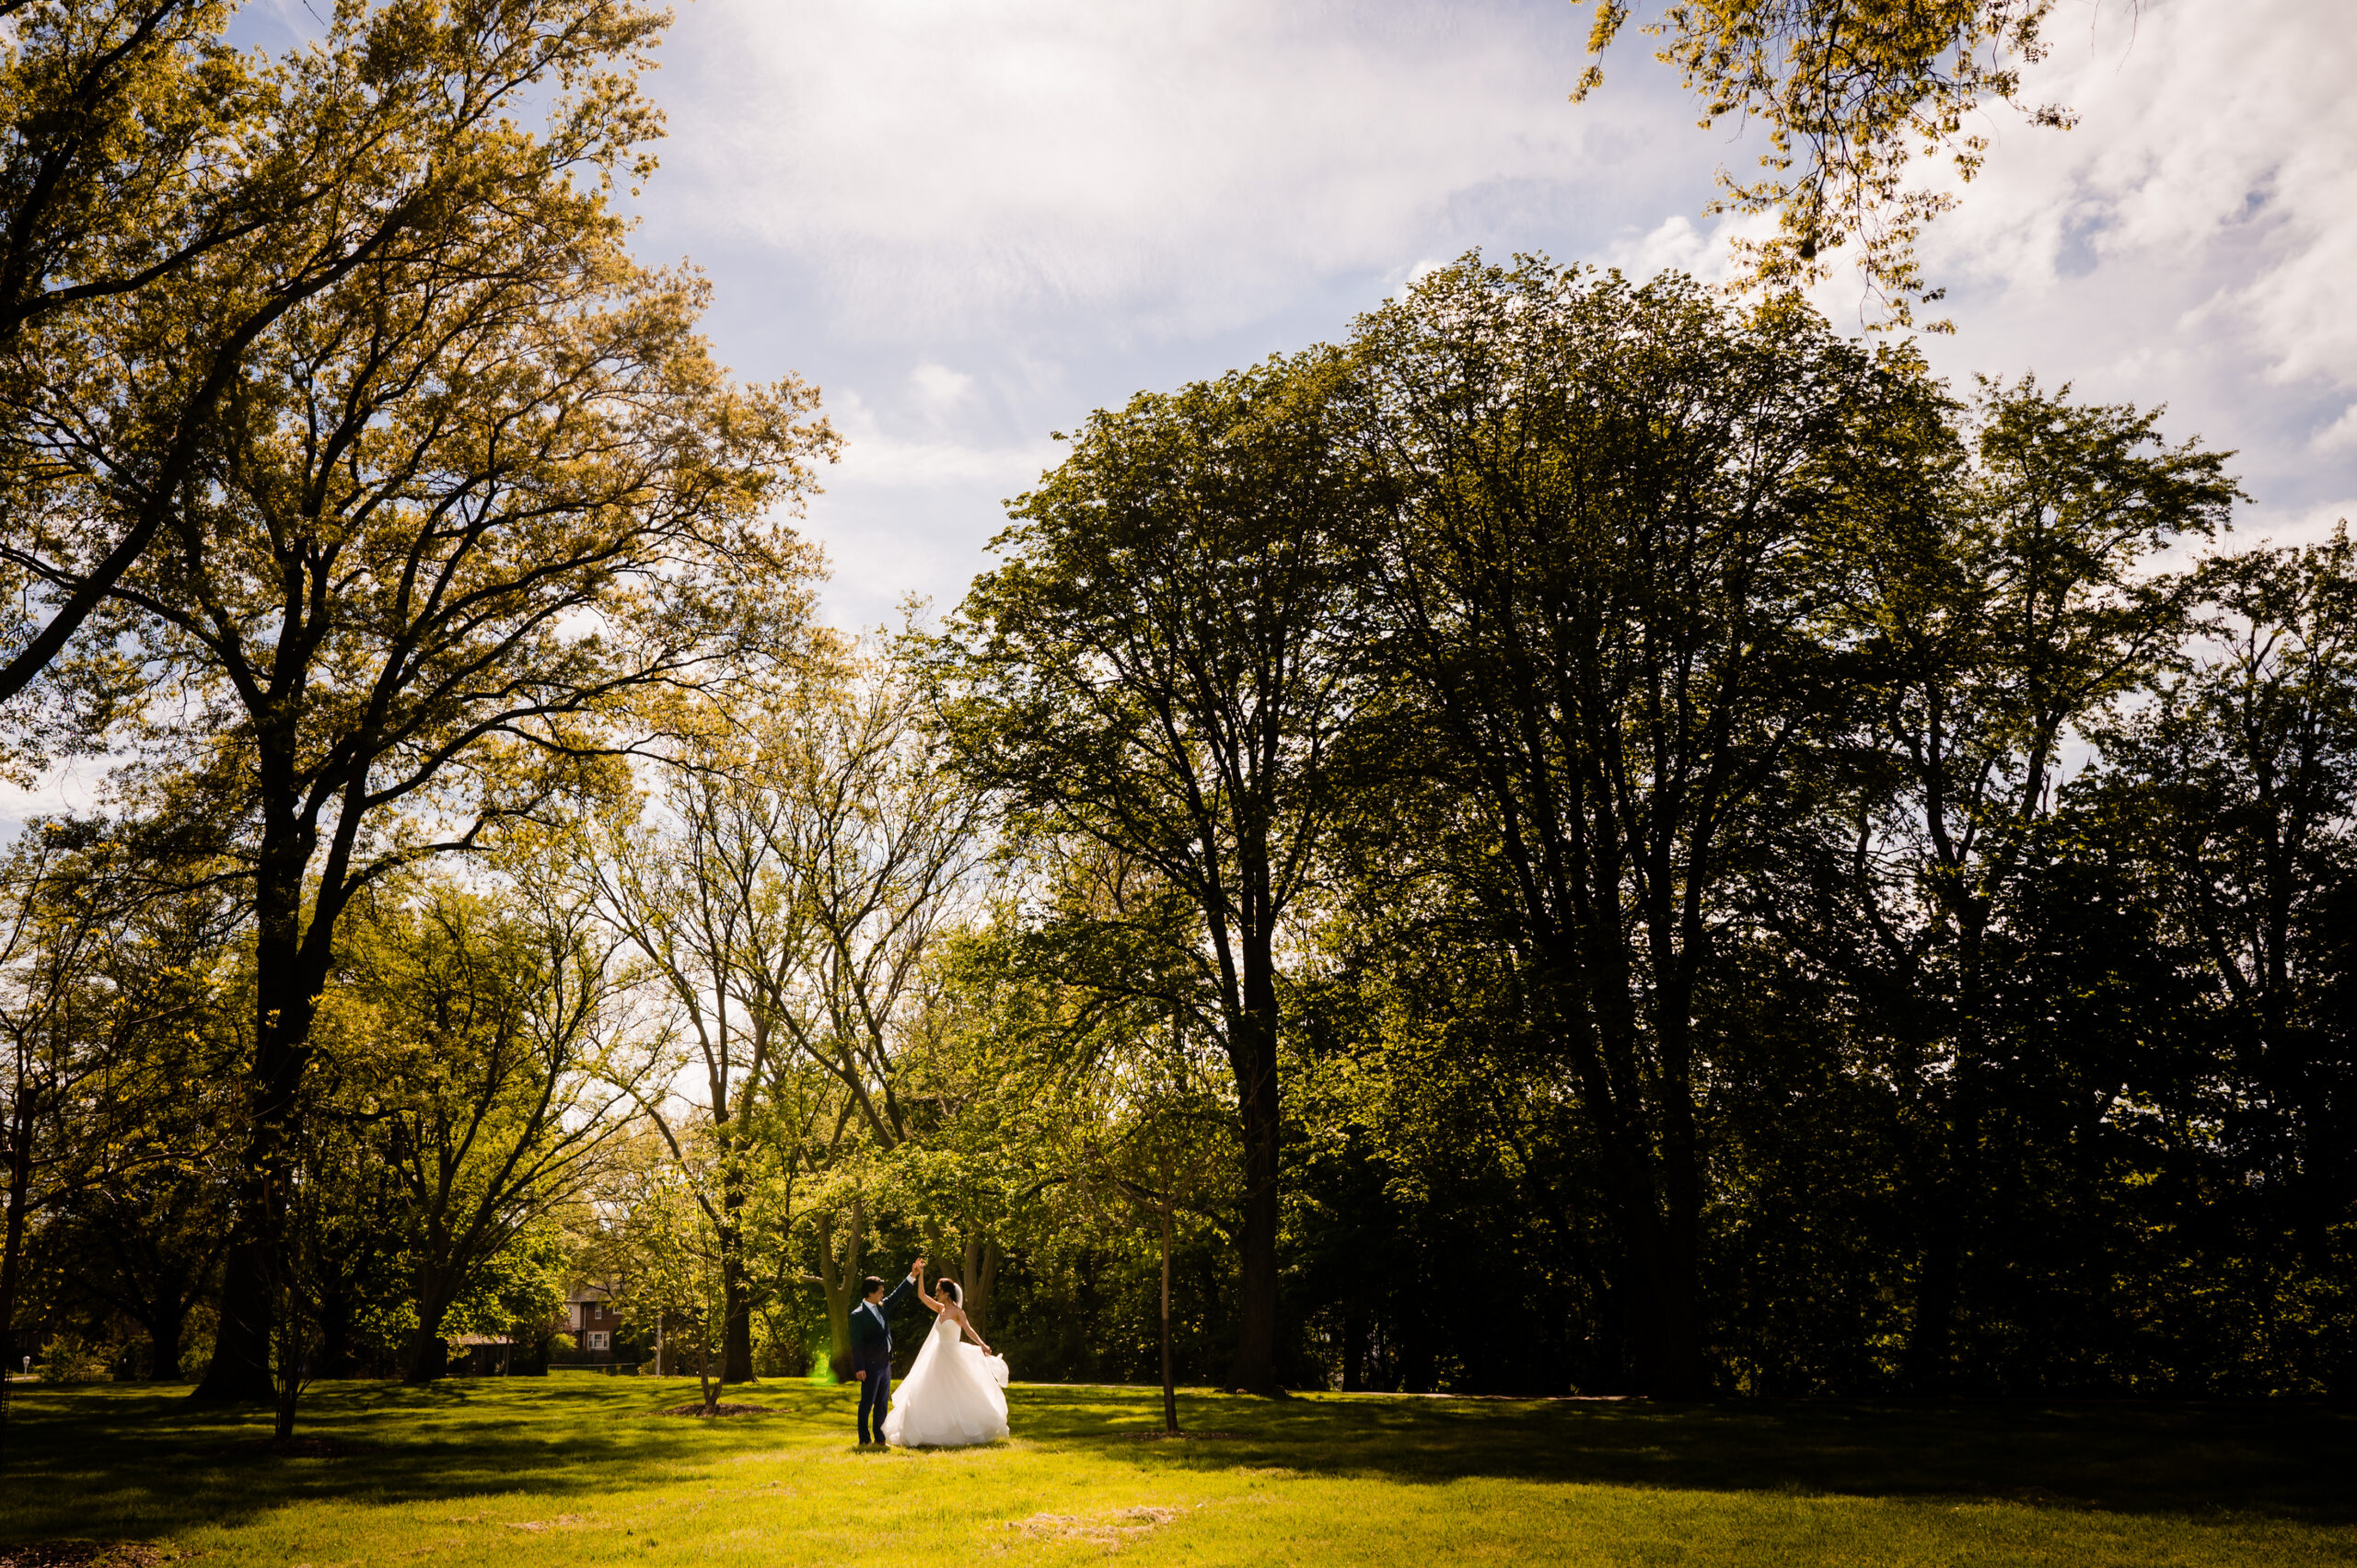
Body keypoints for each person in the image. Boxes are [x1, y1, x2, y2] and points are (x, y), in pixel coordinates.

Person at [881, 1265, 1011, 1447]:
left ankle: (962, 1429)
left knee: (960, 1391)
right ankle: (927, 1430)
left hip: (953, 1355)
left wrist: (981, 1344)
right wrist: (921, 1275)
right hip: (937, 1356)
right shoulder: (940, 1309)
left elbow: (969, 1329)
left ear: (947, 1293)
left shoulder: (958, 1312)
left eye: (939, 1292)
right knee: (929, 1391)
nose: (936, 1295)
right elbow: (921, 1296)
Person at [850, 1257, 923, 1446]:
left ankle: (880, 1439)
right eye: (880, 1291)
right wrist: (859, 1368)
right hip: (870, 1366)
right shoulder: (857, 1315)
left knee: (882, 1404)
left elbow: (898, 1294)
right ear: (871, 1293)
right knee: (867, 1404)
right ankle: (864, 1440)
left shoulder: (883, 1307)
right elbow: (856, 1344)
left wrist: (912, 1275)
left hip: (885, 1364)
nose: (883, 1294)